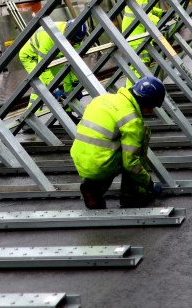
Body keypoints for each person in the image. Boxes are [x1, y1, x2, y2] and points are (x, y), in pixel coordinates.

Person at [70, 76, 166, 209]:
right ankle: (131, 196)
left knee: (108, 147)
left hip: (80, 158)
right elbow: (131, 163)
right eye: (152, 107)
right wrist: (149, 184)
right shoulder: (132, 120)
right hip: (101, 164)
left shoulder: (102, 99)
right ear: (146, 102)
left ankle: (94, 190)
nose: (151, 111)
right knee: (131, 153)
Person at [17, 18, 88, 108]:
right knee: (41, 85)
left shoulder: (75, 40)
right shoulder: (48, 37)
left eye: (74, 42)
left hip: (54, 56)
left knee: (66, 77)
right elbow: (42, 68)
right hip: (32, 57)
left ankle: (68, 112)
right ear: (66, 31)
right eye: (71, 40)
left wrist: (76, 84)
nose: (72, 43)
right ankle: (33, 115)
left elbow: (75, 63)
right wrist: (55, 89)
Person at [121, 0, 166, 86]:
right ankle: (134, 95)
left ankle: (135, 93)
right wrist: (159, 22)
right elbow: (142, 13)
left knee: (140, 68)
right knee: (138, 68)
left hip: (138, 31)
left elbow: (147, 8)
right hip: (136, 33)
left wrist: (160, 13)